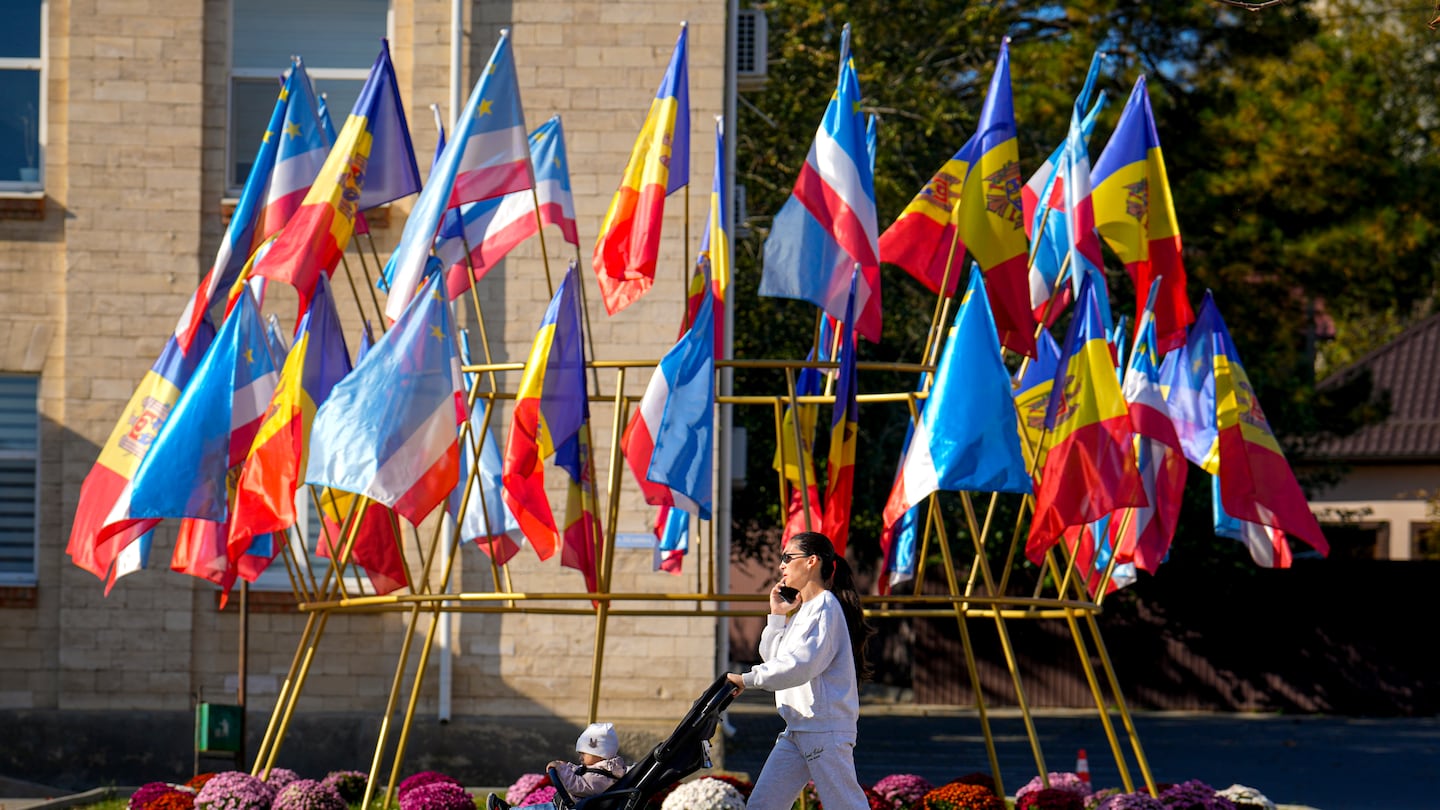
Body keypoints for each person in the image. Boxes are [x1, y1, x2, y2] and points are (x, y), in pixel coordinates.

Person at [726, 531, 876, 810]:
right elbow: (775, 661)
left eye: (787, 557)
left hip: (824, 730)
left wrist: (747, 679)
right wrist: (777, 617)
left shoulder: (826, 607)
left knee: (845, 806)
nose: (781, 565)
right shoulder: (805, 609)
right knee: (762, 805)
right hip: (797, 729)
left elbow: (801, 666)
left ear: (811, 561)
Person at [487, 722, 628, 810]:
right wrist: (567, 766)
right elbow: (580, 773)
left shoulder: (603, 777)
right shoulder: (601, 770)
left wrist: (561, 770)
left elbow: (578, 785)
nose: (580, 757)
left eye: (584, 753)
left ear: (599, 753)